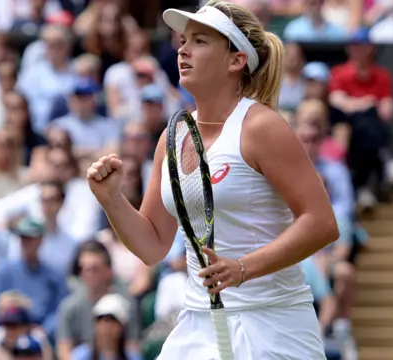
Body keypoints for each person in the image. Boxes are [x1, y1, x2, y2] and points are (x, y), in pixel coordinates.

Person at [86, 1, 339, 359]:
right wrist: (112, 200)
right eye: (183, 40)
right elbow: (153, 246)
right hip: (197, 323)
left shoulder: (261, 127)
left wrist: (242, 268)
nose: (183, 49)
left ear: (235, 60)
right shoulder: (171, 138)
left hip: (272, 325)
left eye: (200, 41)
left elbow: (322, 223)